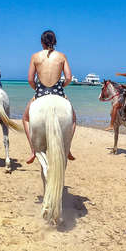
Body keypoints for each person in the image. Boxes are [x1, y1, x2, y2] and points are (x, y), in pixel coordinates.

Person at [22, 30, 76, 164]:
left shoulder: (35, 56)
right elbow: (69, 77)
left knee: (25, 119)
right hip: (58, 92)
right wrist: (61, 86)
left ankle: (33, 150)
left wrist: (39, 90)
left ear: (41, 42)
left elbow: (30, 79)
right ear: (55, 42)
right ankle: (67, 148)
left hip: (41, 93)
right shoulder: (62, 56)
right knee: (74, 120)